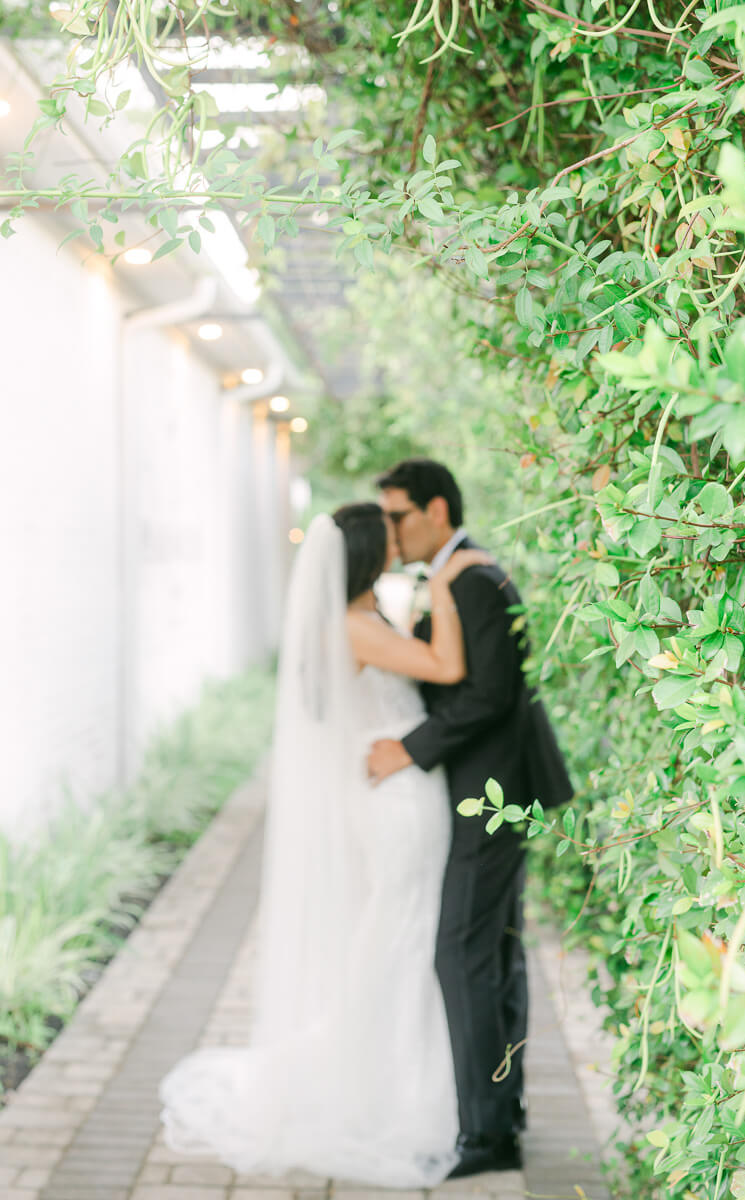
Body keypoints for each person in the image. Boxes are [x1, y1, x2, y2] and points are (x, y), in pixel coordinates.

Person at [159, 502, 491, 1187]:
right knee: (403, 930)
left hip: (394, 790)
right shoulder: (354, 625)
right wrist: (447, 581)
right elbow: (448, 665)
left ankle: (397, 1078)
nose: (402, 540)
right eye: (390, 535)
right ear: (370, 554)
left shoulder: (362, 617)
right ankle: (390, 1092)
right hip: (397, 800)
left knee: (402, 929)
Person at [368, 459, 573, 1180]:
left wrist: (408, 750)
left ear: (435, 510)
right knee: (493, 953)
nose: (391, 529)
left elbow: (490, 695)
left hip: (492, 795)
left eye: (398, 515)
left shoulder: (475, 579)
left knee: (461, 952)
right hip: (492, 790)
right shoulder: (458, 575)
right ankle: (501, 1113)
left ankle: (486, 1137)